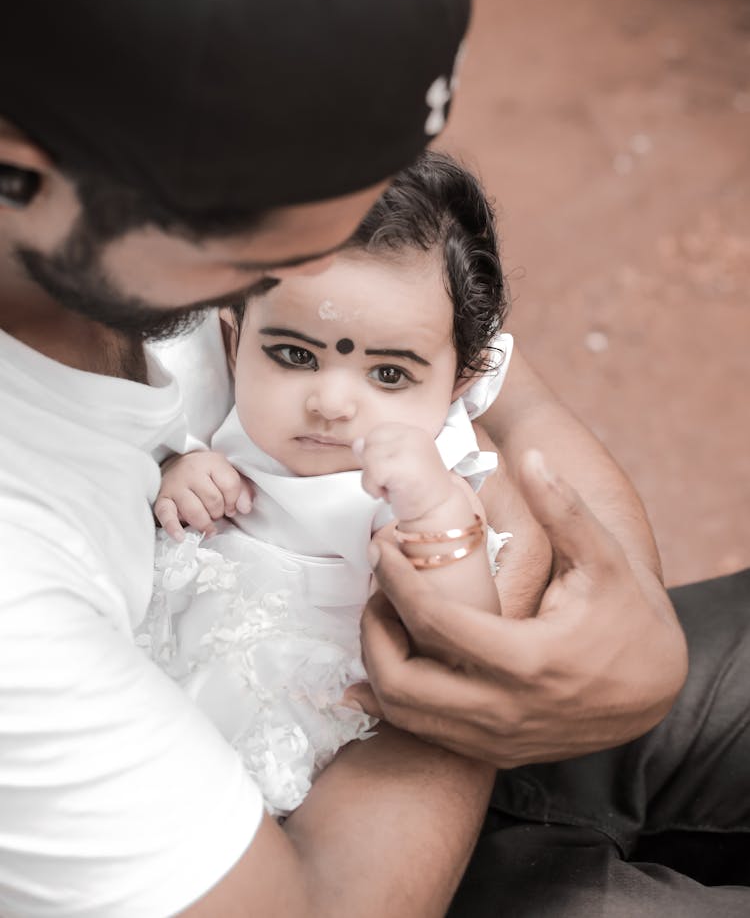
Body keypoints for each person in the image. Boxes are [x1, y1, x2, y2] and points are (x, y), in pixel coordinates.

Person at [0, 0, 703, 916]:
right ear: (20, 166)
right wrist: (470, 690)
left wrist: (634, 638)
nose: (319, 301)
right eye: (258, 253)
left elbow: (516, 403)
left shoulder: (173, 212)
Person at [143, 153, 546, 817]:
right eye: (294, 355)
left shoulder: (411, 490)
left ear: (460, 385)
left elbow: (461, 626)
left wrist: (432, 505)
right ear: (233, 332)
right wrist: (176, 473)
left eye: (389, 374)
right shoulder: (220, 418)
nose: (330, 402)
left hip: (313, 744)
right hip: (173, 699)